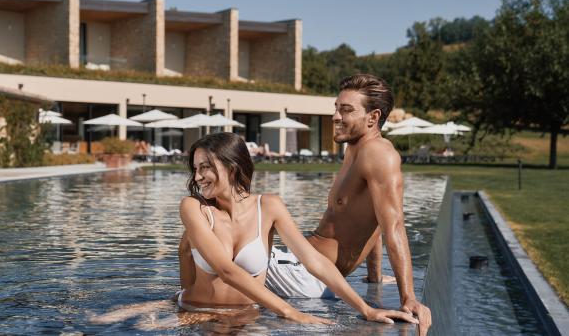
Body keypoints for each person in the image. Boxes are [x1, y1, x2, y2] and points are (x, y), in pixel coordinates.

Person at [179, 74, 431, 334]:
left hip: (305, 275)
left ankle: (181, 306)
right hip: (304, 266)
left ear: (373, 117)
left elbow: (394, 225)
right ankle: (185, 300)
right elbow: (375, 220)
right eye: (336, 108)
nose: (335, 116)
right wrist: (375, 279)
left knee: (208, 248)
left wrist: (407, 298)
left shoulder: (380, 155)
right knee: (200, 239)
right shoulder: (355, 149)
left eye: (346, 110)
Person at [177, 132, 415, 325]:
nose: (197, 177)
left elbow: (314, 261)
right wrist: (291, 312)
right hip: (197, 316)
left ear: (232, 167)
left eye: (205, 167)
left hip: (246, 317)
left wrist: (366, 309)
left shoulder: (269, 206)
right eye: (195, 169)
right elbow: (225, 271)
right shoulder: (193, 208)